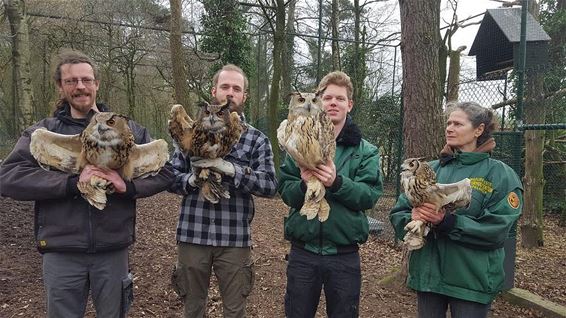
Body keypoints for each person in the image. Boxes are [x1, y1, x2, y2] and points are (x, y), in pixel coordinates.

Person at [0, 50, 175, 317]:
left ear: (97, 84)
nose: (80, 86)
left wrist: (126, 186)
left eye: (86, 79)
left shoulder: (128, 130)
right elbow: (9, 177)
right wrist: (70, 183)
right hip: (62, 250)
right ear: (60, 86)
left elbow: (166, 172)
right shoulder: (44, 132)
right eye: (71, 81)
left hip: (112, 250)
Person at [389, 101, 523, 318]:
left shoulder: (499, 175)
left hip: (471, 281)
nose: (449, 128)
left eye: (458, 124)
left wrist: (448, 222)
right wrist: (412, 218)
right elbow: (398, 212)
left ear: (478, 130)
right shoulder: (429, 169)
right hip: (429, 277)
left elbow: (498, 229)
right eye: (448, 123)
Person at [169, 64, 278, 318]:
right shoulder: (191, 131)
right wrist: (192, 180)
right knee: (193, 309)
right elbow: (171, 178)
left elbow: (271, 185)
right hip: (192, 235)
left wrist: (231, 170)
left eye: (236, 89)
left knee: (235, 311)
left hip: (234, 239)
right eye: (225, 87)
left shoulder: (256, 139)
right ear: (213, 90)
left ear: (244, 97)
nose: (230, 93)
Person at [278, 71, 383, 318]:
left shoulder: (365, 150)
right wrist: (303, 185)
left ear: (350, 104)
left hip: (344, 253)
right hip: (303, 251)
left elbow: (369, 196)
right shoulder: (295, 142)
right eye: (327, 98)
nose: (333, 103)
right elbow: (284, 189)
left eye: (340, 98)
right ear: (318, 102)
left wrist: (337, 183)